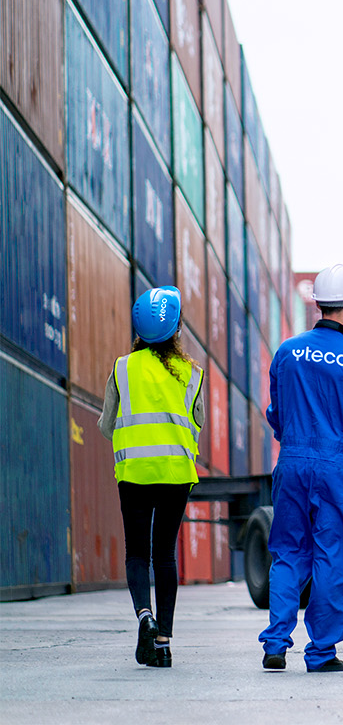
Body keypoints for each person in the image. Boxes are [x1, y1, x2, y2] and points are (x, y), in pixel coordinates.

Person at [258, 264, 343, 673]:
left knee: (287, 552)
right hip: (338, 467)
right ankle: (321, 653)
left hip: (293, 461)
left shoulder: (287, 351)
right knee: (333, 557)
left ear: (317, 303)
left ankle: (276, 644)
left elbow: (275, 412)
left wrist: (295, 439)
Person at [98, 287, 205, 669]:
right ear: (177, 329)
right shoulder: (193, 374)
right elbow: (199, 423)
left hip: (134, 474)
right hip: (176, 474)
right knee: (165, 555)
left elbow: (107, 424)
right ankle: (163, 643)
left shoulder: (121, 368)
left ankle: (145, 616)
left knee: (137, 553)